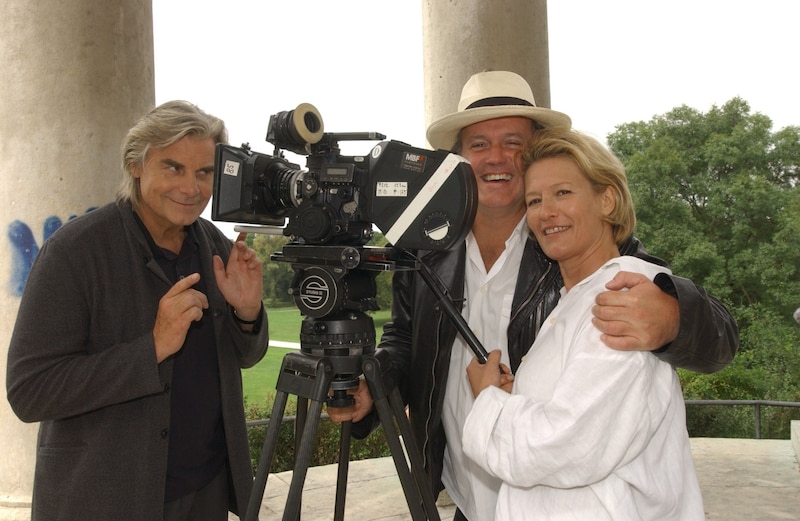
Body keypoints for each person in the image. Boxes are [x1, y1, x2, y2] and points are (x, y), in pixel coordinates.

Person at [329, 71, 738, 521]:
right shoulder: (423, 249)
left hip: (549, 496)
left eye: (512, 142)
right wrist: (376, 385)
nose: (495, 158)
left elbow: (720, 336)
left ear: (535, 151)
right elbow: (406, 340)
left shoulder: (576, 242)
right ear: (458, 158)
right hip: (464, 492)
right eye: (478, 145)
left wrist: (672, 316)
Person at [6, 100, 270, 521]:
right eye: (173, 168)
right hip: (103, 500)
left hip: (206, 492)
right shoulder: (74, 252)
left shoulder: (217, 249)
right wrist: (151, 348)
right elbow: (29, 391)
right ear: (135, 165)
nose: (191, 188)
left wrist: (247, 312)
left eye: (204, 172)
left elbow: (244, 356)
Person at [463, 127, 704, 520]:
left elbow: (566, 446)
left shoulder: (619, 298)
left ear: (607, 199)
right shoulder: (573, 299)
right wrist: (514, 400)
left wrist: (489, 401)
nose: (546, 212)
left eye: (563, 193)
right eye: (535, 200)